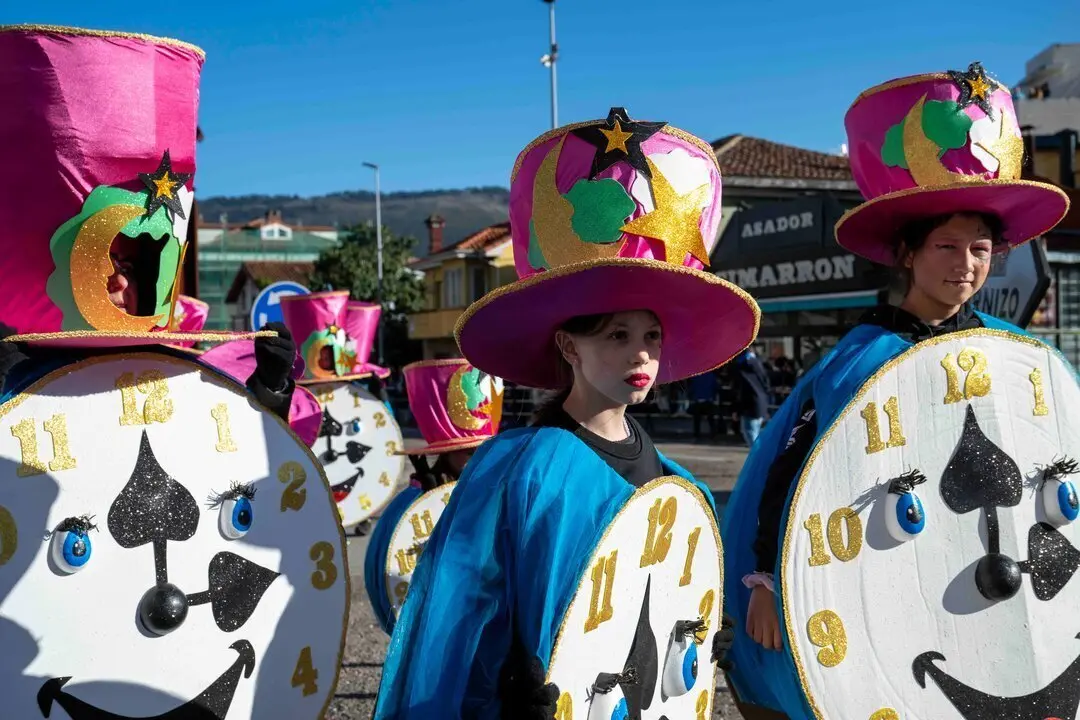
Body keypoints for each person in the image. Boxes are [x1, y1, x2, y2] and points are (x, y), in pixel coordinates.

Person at [374, 108, 758, 719]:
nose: (640, 354)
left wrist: (704, 624)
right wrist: (502, 685)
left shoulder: (676, 484)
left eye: (652, 335)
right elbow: (457, 617)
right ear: (567, 344)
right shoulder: (514, 472)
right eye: (615, 335)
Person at [722, 63, 1070, 719]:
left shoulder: (1016, 352)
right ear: (907, 253)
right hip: (896, 580)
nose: (963, 265)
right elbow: (793, 473)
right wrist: (765, 579)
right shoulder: (857, 363)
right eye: (945, 246)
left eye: (978, 248)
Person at [364, 358, 503, 634]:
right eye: (468, 452)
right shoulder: (410, 506)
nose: (477, 461)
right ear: (446, 453)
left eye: (483, 451)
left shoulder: (498, 494)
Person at [733, 347, 771, 446]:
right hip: (761, 404)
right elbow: (766, 384)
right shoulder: (758, 364)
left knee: (750, 433)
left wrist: (736, 409)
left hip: (749, 405)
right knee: (757, 433)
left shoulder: (741, 366)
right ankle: (761, 457)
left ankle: (760, 459)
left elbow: (739, 390)